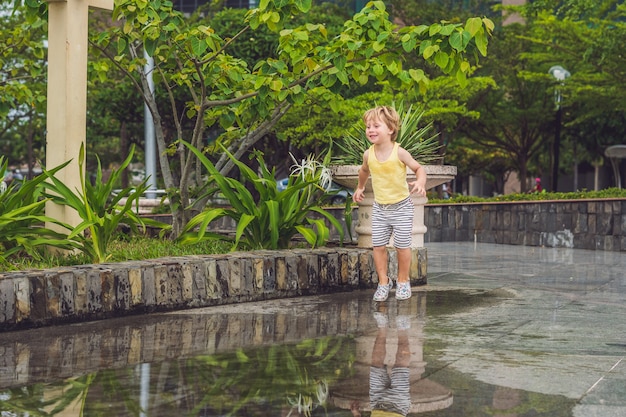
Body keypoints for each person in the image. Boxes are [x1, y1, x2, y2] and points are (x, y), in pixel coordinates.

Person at [352, 106, 427, 301]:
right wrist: (360, 187)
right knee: (378, 247)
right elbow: (363, 171)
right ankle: (383, 282)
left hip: (401, 207)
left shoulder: (399, 152)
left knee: (403, 247)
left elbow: (419, 168)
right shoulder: (368, 154)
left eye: (376, 125)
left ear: (391, 129)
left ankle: (403, 281)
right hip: (380, 208)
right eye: (368, 126)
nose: (370, 130)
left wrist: (420, 182)